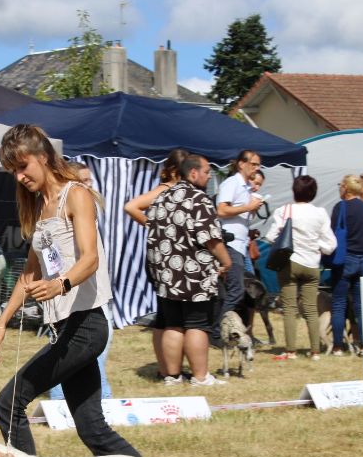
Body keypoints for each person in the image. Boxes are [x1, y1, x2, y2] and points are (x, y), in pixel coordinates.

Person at [0, 124, 145, 457]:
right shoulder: (40, 208)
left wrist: (62, 283)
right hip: (66, 329)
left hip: (87, 327)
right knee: (93, 430)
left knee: (9, 403)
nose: (20, 177)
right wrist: (1, 323)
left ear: (43, 156)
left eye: (22, 166)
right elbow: (29, 273)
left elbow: (89, 258)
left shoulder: (77, 196)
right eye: (13, 171)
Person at [152, 154, 232, 386]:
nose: (209, 177)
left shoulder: (162, 197)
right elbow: (211, 239)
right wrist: (226, 262)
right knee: (198, 325)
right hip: (193, 276)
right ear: (194, 173)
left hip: (167, 275)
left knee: (173, 325)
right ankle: (200, 377)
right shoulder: (199, 200)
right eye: (207, 172)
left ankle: (172, 376)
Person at [49, 161, 113, 400]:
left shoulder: (88, 208)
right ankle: (62, 401)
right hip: (70, 295)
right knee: (66, 353)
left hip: (92, 294)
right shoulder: (62, 212)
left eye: (89, 181)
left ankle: (96, 400)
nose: (88, 186)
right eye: (82, 181)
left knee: (92, 353)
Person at [124, 148, 189, 380]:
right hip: (166, 261)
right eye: (183, 172)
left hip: (162, 259)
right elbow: (130, 206)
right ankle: (170, 370)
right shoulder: (165, 190)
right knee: (171, 318)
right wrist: (152, 225)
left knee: (164, 316)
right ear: (172, 171)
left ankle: (166, 369)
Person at [264, 175, 336, 359]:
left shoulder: (284, 210)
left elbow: (272, 237)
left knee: (289, 308)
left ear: (294, 191)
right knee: (311, 308)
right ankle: (315, 351)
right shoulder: (320, 213)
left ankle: (291, 351)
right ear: (314, 193)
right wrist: (317, 246)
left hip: (290, 262)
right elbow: (330, 245)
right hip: (312, 264)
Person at [216, 150, 264, 326]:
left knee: (235, 291)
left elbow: (237, 212)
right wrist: (247, 207)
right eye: (254, 164)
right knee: (236, 291)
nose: (256, 168)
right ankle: (216, 331)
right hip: (231, 243)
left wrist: (251, 209)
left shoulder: (245, 187)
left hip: (240, 244)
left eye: (259, 165)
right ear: (241, 164)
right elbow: (221, 210)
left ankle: (220, 328)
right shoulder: (232, 183)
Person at [328, 175, 363, 355]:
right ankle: (362, 345)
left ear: (346, 188)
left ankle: (338, 346)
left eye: (340, 185)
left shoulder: (341, 207)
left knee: (339, 304)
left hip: (345, 258)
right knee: (361, 305)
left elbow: (332, 233)